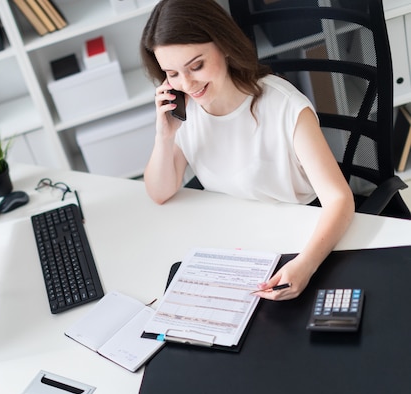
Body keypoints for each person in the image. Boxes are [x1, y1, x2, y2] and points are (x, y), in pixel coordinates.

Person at [140, 0, 355, 300]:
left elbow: (339, 199)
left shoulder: (284, 107)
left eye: (196, 66)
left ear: (224, 45)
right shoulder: (187, 111)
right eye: (172, 73)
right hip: (239, 244)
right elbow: (159, 192)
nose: (187, 84)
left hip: (300, 239)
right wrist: (164, 135)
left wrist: (305, 265)